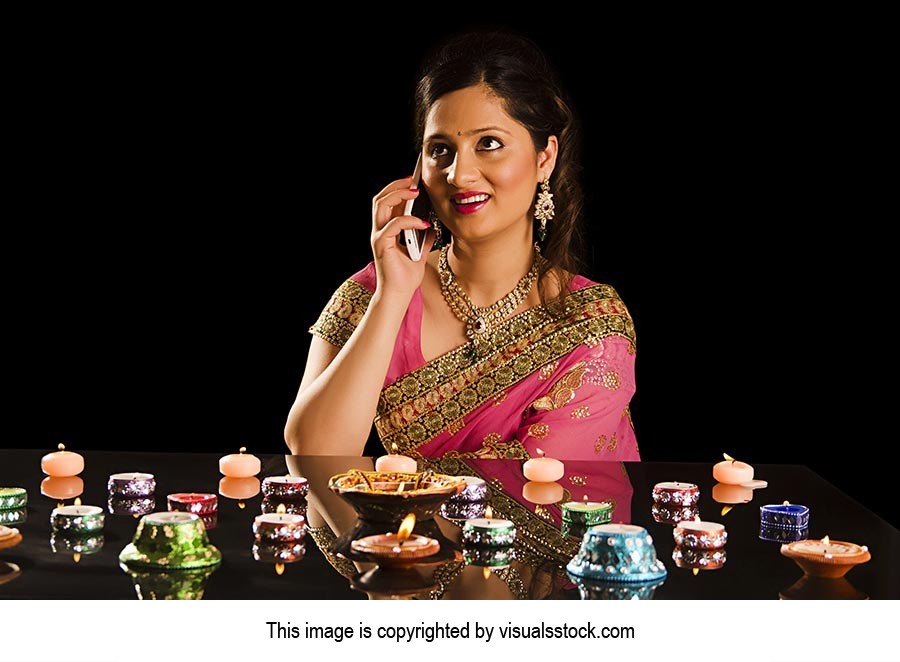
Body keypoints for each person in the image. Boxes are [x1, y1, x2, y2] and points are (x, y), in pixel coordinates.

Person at [285, 30, 639, 462]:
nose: (458, 174)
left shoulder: (590, 323)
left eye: (488, 144)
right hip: (399, 531)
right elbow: (315, 455)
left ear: (544, 157)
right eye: (440, 150)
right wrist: (393, 296)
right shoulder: (374, 292)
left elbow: (541, 492)